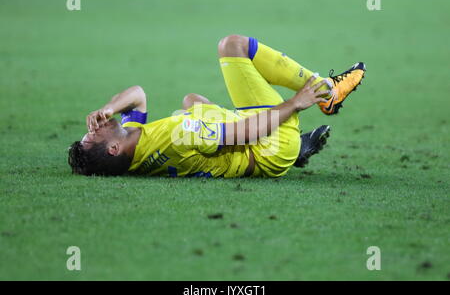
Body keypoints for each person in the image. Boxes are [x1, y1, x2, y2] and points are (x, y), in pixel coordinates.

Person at [68, 35, 366, 178]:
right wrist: (295, 103)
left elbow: (138, 95)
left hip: (256, 148)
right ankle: (328, 92)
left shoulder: (133, 150)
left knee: (191, 101)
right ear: (112, 149)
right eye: (94, 134)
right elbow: (245, 133)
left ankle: (297, 147)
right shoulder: (179, 134)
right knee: (232, 46)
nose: (95, 126)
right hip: (267, 146)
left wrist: (108, 108)